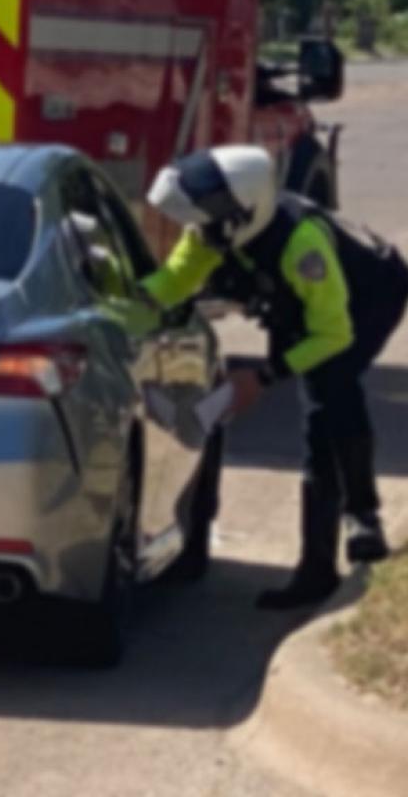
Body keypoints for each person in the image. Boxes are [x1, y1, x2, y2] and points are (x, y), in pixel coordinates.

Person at [143, 145, 408, 610]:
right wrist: (111, 304)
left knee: (329, 395)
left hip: (367, 297)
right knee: (317, 393)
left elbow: (333, 332)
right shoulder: (211, 234)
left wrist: (263, 377)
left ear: (241, 213)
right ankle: (326, 545)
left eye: (204, 216)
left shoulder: (300, 244)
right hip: (294, 306)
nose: (195, 229)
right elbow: (170, 286)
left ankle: (345, 537)